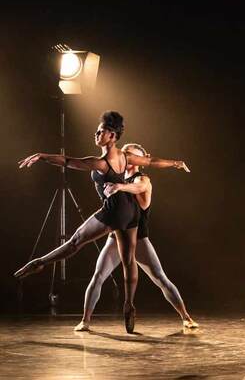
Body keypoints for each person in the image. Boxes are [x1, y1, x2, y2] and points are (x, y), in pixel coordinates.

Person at [15, 111, 189, 333]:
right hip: (125, 214)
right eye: (97, 130)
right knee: (125, 262)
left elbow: (69, 161)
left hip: (117, 213)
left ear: (113, 136)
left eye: (102, 131)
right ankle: (128, 304)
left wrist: (42, 156)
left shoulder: (101, 163)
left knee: (78, 242)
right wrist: (175, 163)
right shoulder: (125, 158)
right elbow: (152, 160)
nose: (97, 133)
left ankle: (41, 261)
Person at [74, 143, 199, 331]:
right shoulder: (114, 176)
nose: (127, 158)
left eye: (132, 155)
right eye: (126, 154)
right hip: (116, 236)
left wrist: (119, 187)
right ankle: (85, 321)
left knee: (159, 277)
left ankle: (186, 317)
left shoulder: (143, 178)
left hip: (138, 237)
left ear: (141, 159)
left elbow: (138, 187)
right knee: (99, 275)